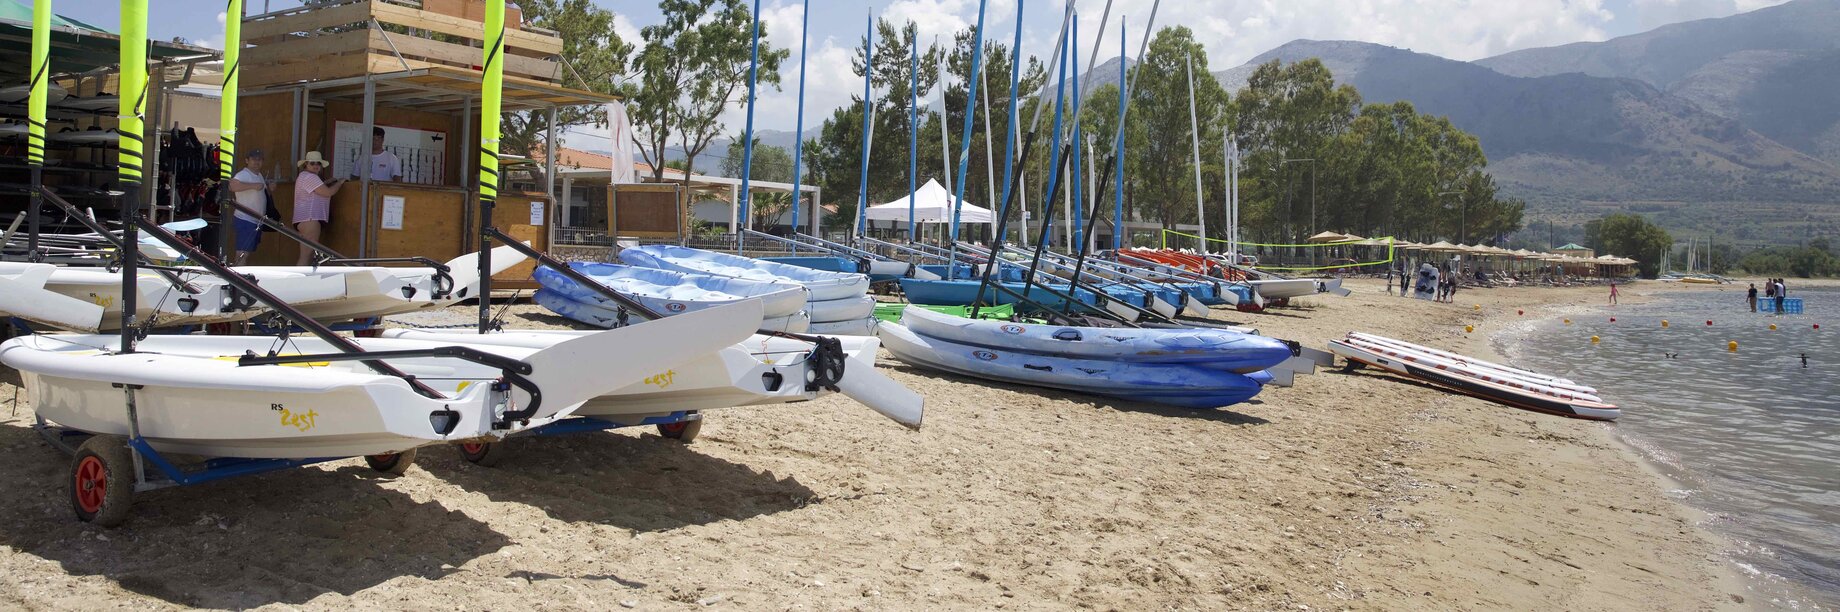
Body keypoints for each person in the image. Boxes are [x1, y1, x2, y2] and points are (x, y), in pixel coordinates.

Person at [294, 151, 344, 265]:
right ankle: (298, 277)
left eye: (318, 163)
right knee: (306, 256)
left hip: (304, 219)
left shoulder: (305, 176)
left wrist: (326, 182)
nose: (316, 165)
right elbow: (328, 192)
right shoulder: (310, 177)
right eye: (312, 163)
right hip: (310, 218)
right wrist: (340, 182)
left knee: (307, 255)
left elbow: (316, 190)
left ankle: (300, 276)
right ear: (306, 164)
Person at [225, 149, 270, 265]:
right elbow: (232, 186)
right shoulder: (243, 174)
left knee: (246, 253)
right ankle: (237, 274)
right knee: (242, 253)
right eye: (253, 159)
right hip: (245, 219)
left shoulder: (259, 175)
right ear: (247, 160)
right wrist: (253, 186)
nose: (256, 162)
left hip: (255, 221)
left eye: (259, 159)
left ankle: (239, 273)